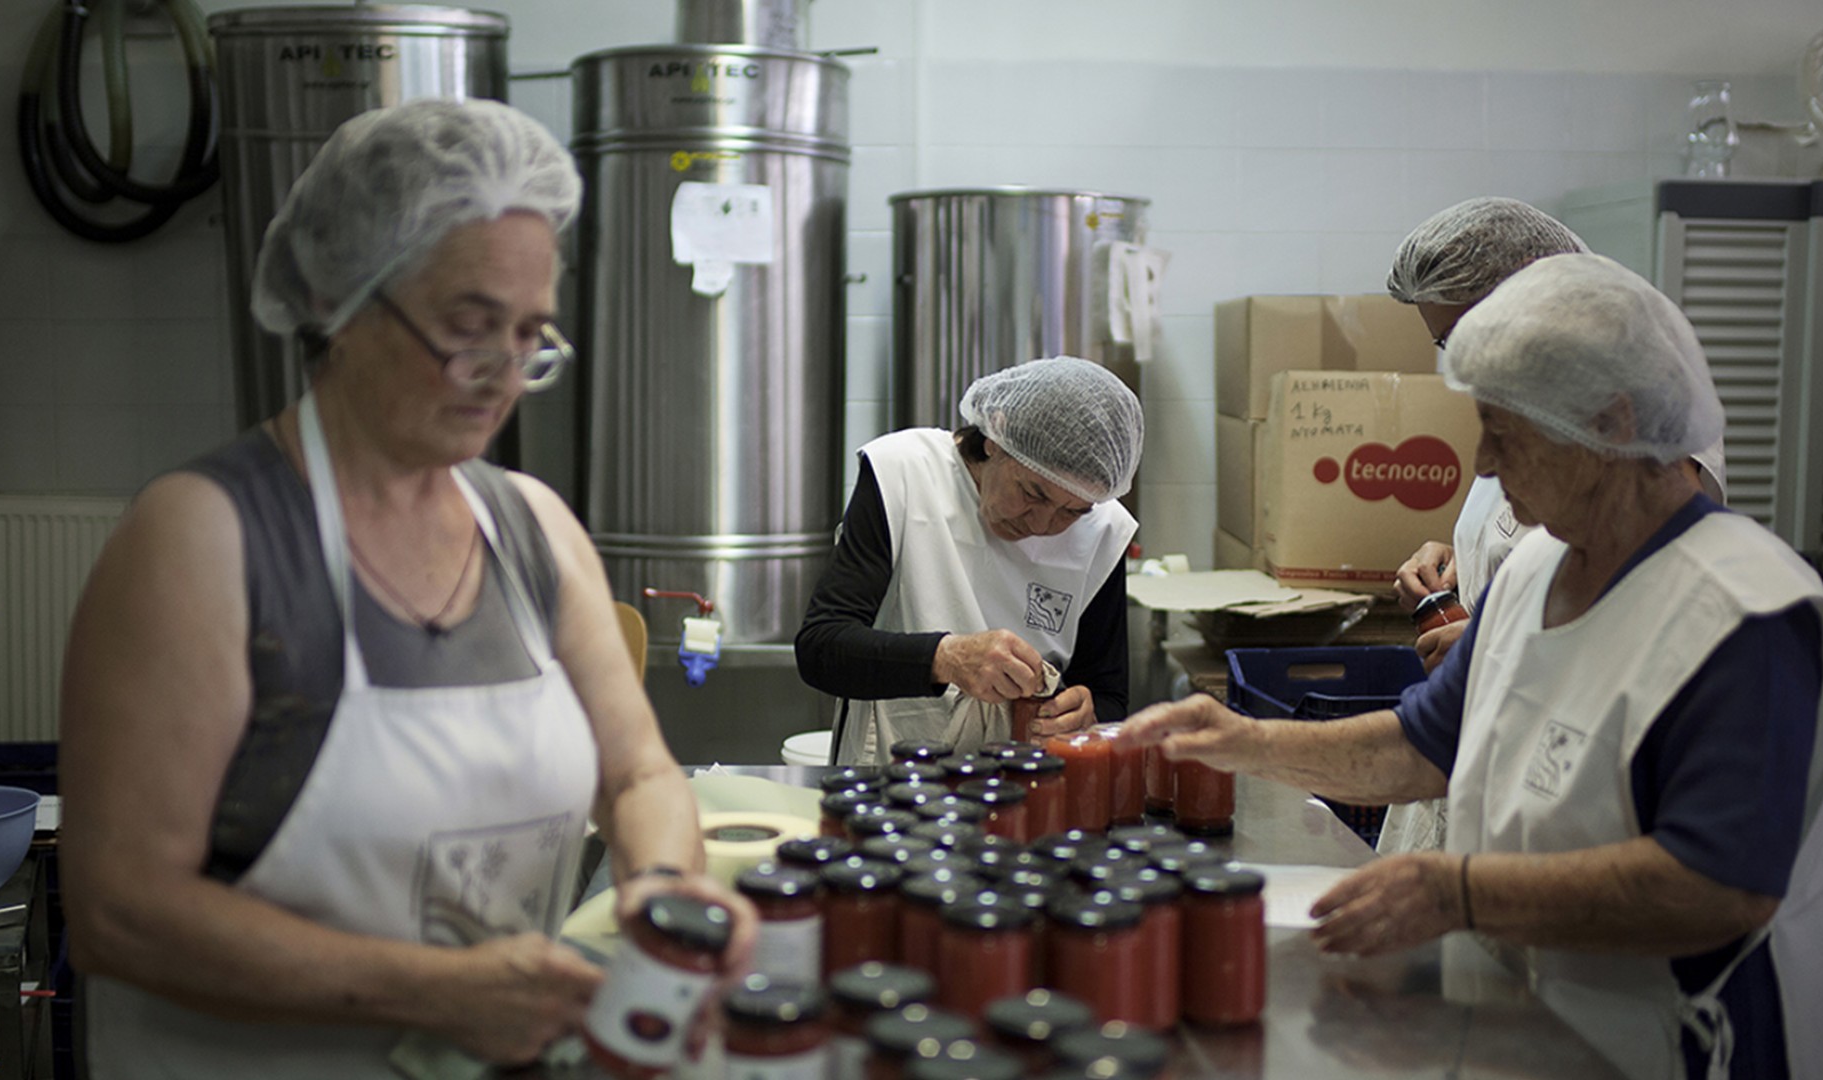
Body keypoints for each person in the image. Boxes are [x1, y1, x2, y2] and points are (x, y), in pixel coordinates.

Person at [58, 100, 756, 1078]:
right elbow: (117, 910)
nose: (503, 374)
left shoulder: (530, 528)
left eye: (530, 338)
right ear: (342, 303)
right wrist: (434, 991)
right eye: (470, 330)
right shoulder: (203, 538)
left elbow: (638, 773)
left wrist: (661, 883)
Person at [1122, 254, 1823, 1080]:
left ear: (1612, 425)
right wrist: (1245, 742)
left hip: (1686, 1043)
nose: (1481, 463)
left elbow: (1717, 888)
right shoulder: (1539, 566)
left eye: (1505, 434)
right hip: (1536, 1017)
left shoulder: (1746, 615)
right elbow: (1422, 745)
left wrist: (1460, 894)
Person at [1376, 198, 1726, 857]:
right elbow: (1538, 545)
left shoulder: (1647, 441)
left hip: (1558, 784)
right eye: (1448, 346)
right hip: (1486, 754)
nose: (1466, 362)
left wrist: (1501, 655)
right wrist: (1463, 558)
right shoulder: (1531, 401)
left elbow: (1646, 626)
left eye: (1471, 335)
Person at [796, 357, 1143, 765]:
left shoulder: (1103, 531)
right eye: (1033, 493)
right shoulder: (905, 476)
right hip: (889, 788)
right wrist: (947, 658)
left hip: (1028, 794)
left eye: (1072, 512)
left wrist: (1089, 711)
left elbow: (1109, 693)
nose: (1044, 523)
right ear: (996, 436)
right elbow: (822, 649)